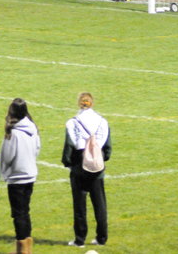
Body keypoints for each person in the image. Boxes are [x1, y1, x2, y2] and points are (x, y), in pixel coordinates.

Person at [62, 92, 112, 248]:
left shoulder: (72, 122)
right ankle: (102, 238)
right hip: (97, 167)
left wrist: (68, 163)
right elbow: (108, 148)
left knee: (80, 206)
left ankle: (80, 239)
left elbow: (69, 147)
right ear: (92, 103)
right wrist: (101, 159)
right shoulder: (102, 121)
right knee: (100, 204)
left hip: (79, 167)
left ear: (79, 103)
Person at [0, 98, 40, 254]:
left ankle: (22, 249)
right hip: (30, 175)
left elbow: (7, 156)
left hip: (17, 177)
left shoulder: (14, 133)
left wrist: (5, 172)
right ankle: (27, 247)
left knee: (18, 214)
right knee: (25, 211)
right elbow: (37, 148)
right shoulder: (33, 128)